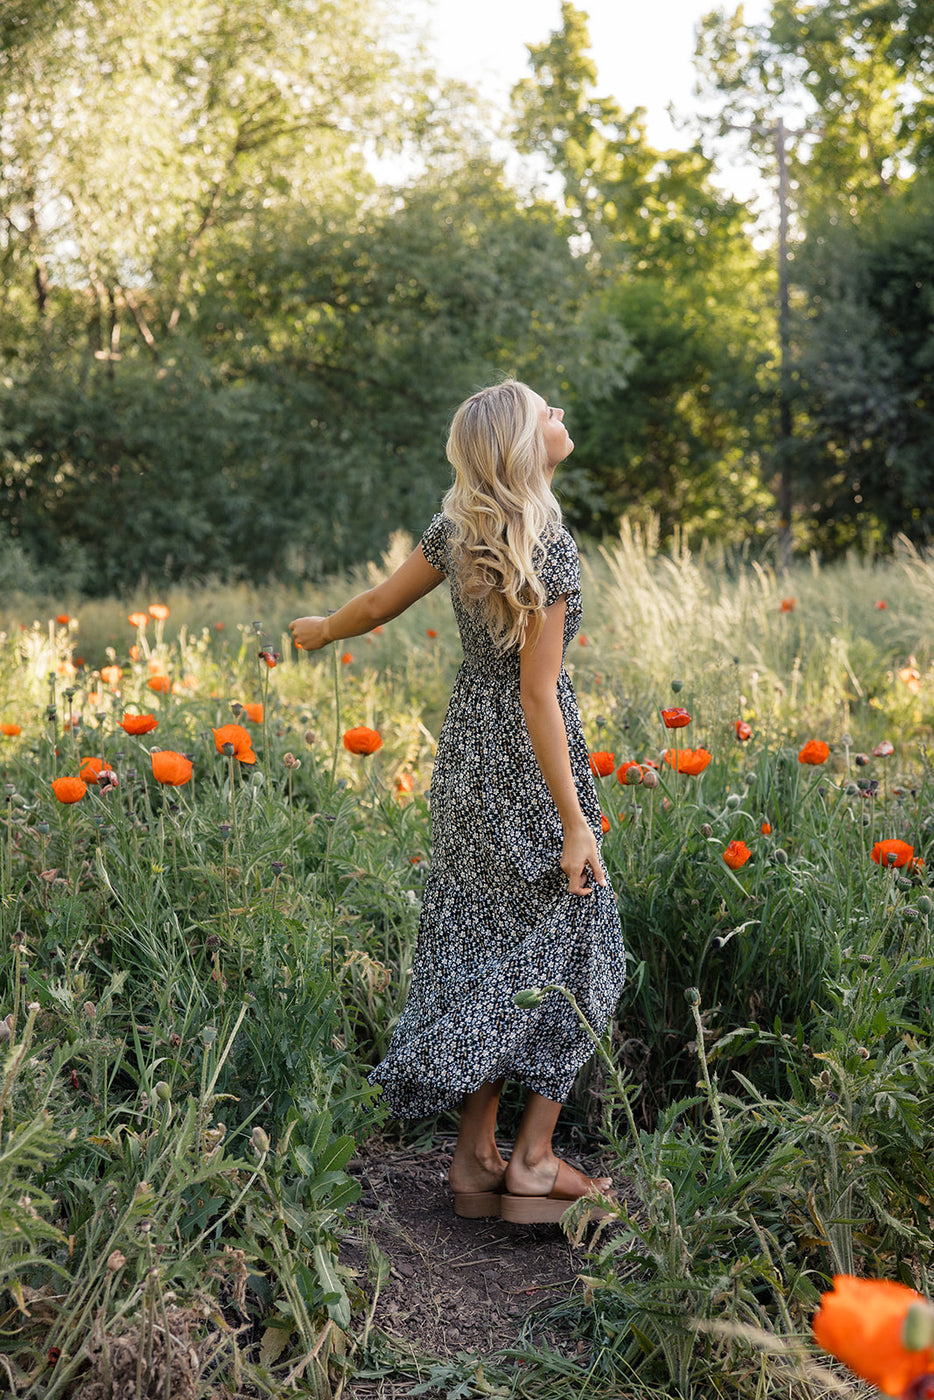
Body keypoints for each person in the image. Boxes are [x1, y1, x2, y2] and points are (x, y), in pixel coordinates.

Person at [289, 379, 626, 1224]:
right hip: (528, 759)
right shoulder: (546, 546)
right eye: (549, 410)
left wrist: (322, 628)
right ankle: (537, 1163)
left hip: (469, 762)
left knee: (484, 941)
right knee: (585, 938)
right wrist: (577, 823)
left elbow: (374, 605)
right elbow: (540, 695)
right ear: (523, 444)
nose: (561, 415)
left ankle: (476, 1160)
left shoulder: (458, 530)